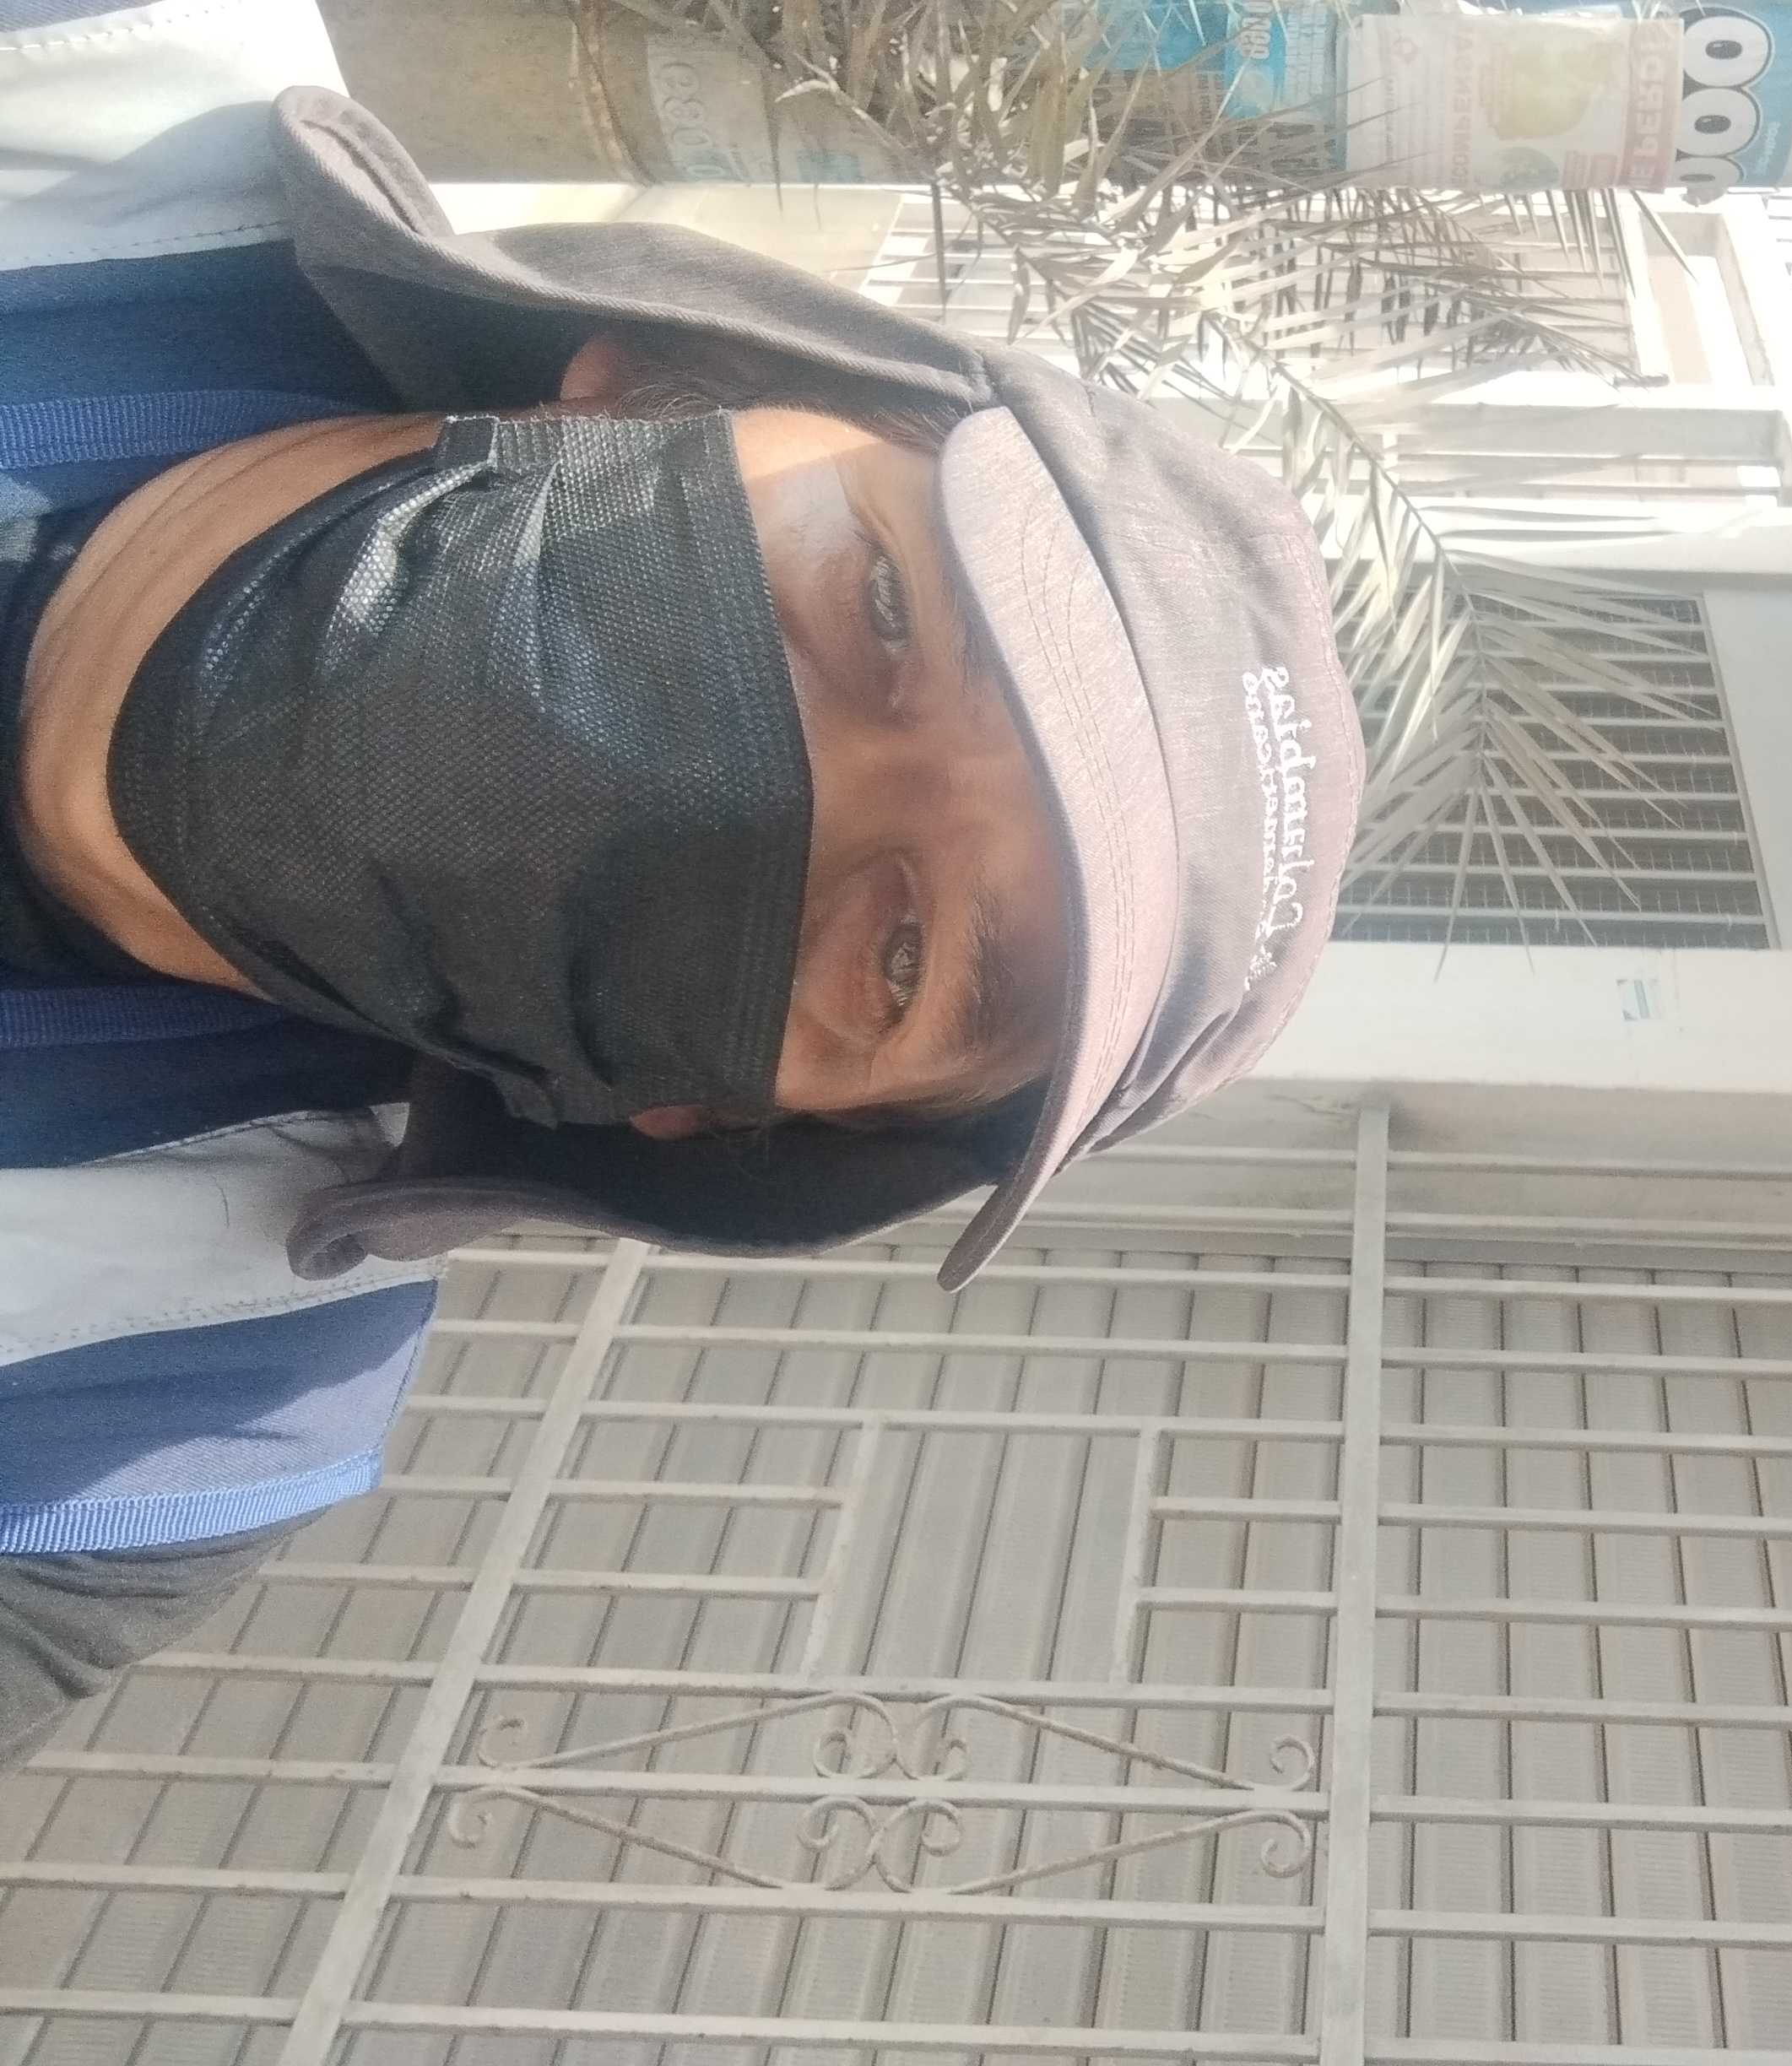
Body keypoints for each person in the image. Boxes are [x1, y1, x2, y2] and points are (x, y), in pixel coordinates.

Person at [0, 2, 1362, 1767]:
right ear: (650, 376)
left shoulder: (164, 1416)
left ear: (698, 1119)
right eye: (885, 605)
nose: (789, 791)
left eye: (900, 959)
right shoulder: (98, 81)